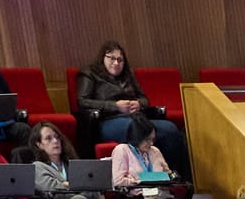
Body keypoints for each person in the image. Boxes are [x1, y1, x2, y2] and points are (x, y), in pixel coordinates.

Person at [74, 39, 187, 172]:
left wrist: (139, 104)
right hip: (107, 121)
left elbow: (144, 99)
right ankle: (142, 176)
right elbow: (82, 101)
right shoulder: (89, 73)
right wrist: (115, 106)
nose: (116, 63)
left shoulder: (127, 74)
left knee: (170, 128)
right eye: (112, 58)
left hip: (136, 118)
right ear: (102, 58)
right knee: (136, 129)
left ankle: (174, 175)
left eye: (120, 60)